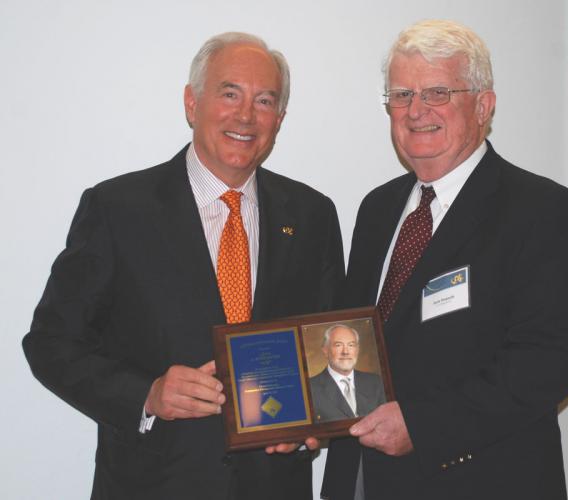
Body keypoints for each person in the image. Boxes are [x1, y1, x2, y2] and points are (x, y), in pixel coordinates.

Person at [22, 32, 344, 500]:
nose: (245, 115)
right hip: (153, 484)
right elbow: (50, 343)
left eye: (265, 100)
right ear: (192, 103)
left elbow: (333, 343)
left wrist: (320, 422)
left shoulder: (312, 214)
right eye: (229, 93)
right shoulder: (118, 209)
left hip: (275, 485)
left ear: (280, 119)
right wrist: (146, 395)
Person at [321, 20, 568, 500]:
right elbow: (353, 337)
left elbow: (547, 364)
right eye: (401, 95)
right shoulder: (377, 208)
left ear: (483, 106)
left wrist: (424, 428)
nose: (416, 111)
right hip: (364, 479)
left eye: (437, 92)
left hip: (482, 480)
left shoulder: (542, 210)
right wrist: (305, 409)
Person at [309, 324, 385, 422]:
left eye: (351, 345)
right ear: (325, 350)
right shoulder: (310, 389)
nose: (345, 352)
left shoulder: (375, 382)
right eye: (338, 345)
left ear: (357, 350)